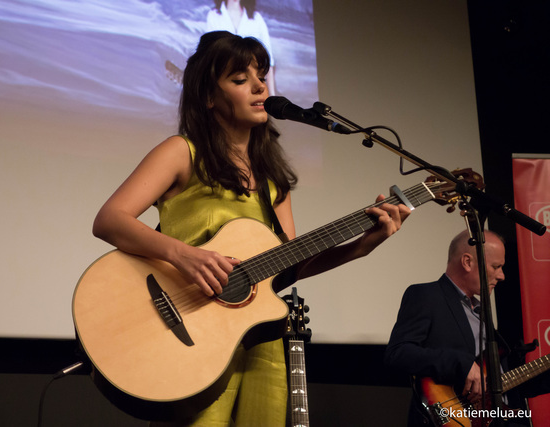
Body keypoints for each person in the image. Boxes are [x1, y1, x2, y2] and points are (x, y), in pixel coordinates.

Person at [93, 31, 410, 426]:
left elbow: (290, 266)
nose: (260, 86)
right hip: (194, 332)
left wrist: (362, 246)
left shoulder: (273, 180)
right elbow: (110, 219)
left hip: (260, 340)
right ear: (209, 97)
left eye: (261, 75)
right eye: (240, 79)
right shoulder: (182, 152)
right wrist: (184, 255)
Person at [384, 229, 549, 426]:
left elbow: (509, 383)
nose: (502, 276)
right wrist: (461, 364)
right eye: (496, 266)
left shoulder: (481, 312)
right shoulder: (427, 296)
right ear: (467, 262)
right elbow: (398, 354)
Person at [206, 0, 276, 95]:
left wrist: (272, 95)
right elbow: (209, 55)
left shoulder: (256, 18)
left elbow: (269, 60)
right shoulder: (213, 16)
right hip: (224, 82)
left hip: (251, 82)